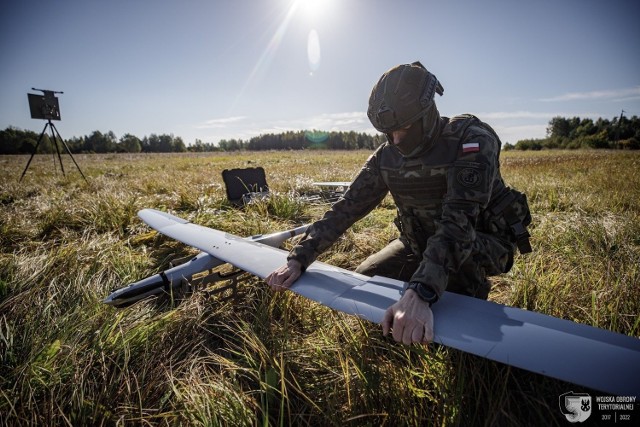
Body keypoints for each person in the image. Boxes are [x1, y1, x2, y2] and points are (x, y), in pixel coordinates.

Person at [266, 61, 531, 345]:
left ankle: (468, 293)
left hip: (477, 243)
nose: (395, 139)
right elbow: (347, 207)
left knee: (454, 333)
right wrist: (299, 258)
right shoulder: (387, 155)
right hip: (419, 242)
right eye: (388, 132)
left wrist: (421, 293)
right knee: (366, 282)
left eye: (403, 128)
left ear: (427, 113)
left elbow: (459, 223)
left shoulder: (471, 140)